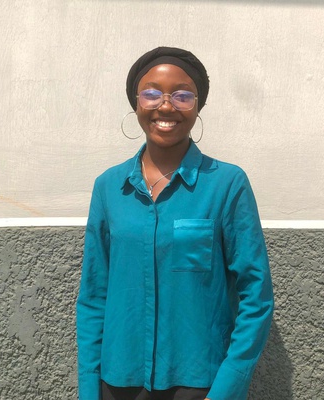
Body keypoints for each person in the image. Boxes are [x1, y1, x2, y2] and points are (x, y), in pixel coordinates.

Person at [76, 46, 274, 400]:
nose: (166, 106)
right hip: (118, 382)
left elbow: (256, 297)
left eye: (182, 95)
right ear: (136, 102)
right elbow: (93, 296)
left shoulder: (226, 185)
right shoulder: (108, 187)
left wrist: (227, 388)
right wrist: (90, 388)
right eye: (152, 93)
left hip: (199, 384)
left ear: (198, 106)